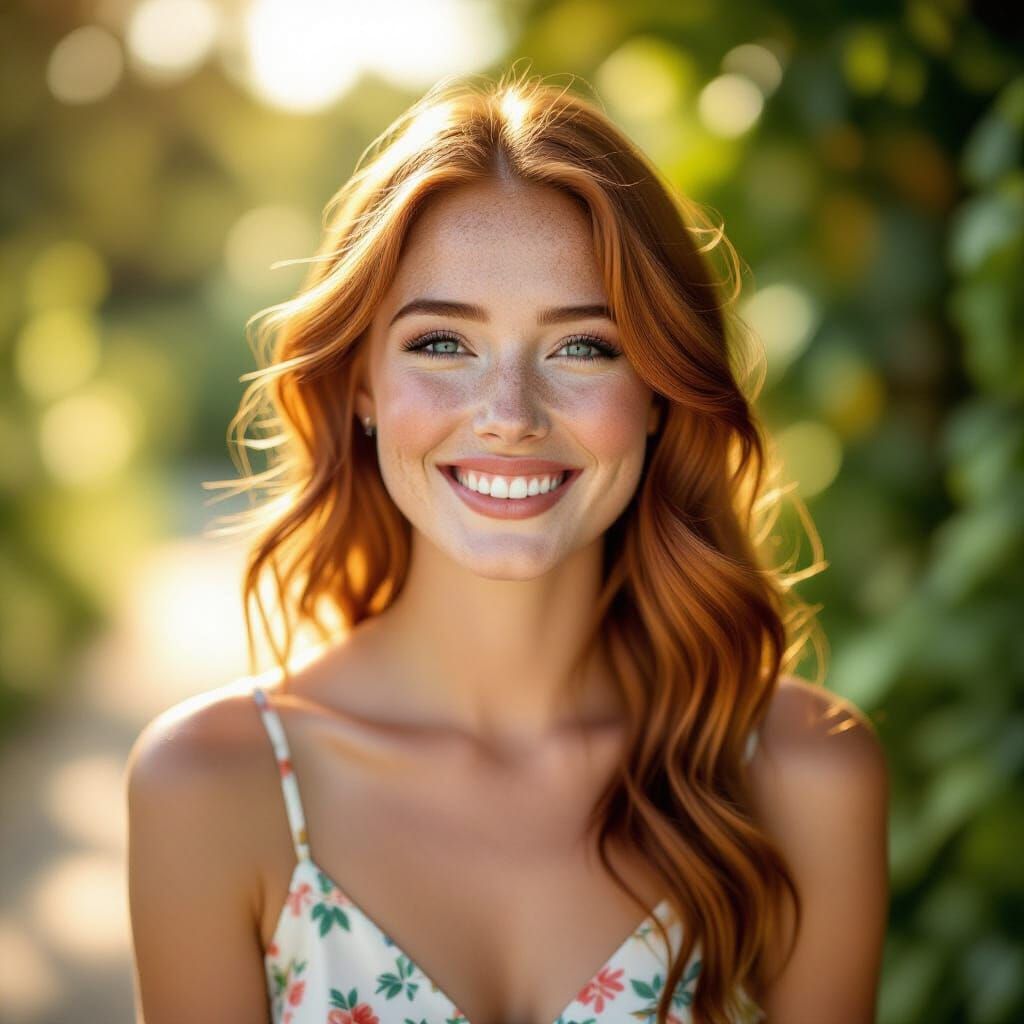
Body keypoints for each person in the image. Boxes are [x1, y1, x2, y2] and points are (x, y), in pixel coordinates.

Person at [125, 68, 889, 1024]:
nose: (510, 415)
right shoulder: (211, 787)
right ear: (360, 385)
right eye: (443, 343)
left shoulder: (804, 775)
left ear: (659, 391)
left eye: (584, 347)